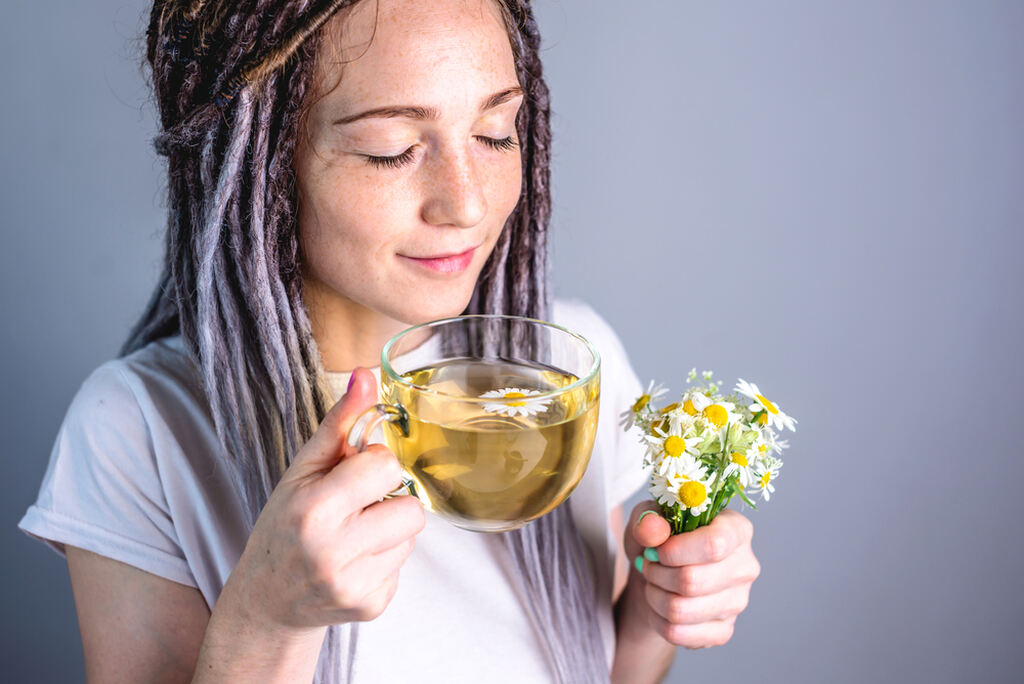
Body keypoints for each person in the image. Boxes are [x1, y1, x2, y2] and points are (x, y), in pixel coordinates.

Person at [18, 1, 761, 682]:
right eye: (392, 148)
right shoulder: (140, 431)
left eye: (496, 132)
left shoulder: (564, 372)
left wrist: (653, 619)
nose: (466, 202)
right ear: (261, 165)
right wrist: (269, 621)